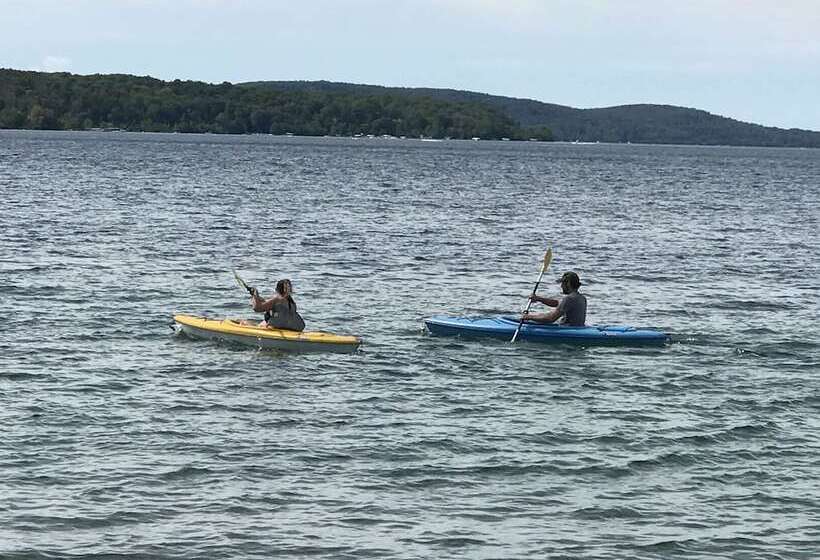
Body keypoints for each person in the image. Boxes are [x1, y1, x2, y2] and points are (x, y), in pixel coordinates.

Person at [522, 271, 587, 326]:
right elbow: (558, 303)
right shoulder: (582, 298)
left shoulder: (569, 299)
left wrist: (529, 317)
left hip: (567, 330)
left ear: (568, 284)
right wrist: (539, 299)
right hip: (577, 328)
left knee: (542, 317)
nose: (561, 286)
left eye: (562, 283)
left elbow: (551, 319)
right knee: (542, 315)